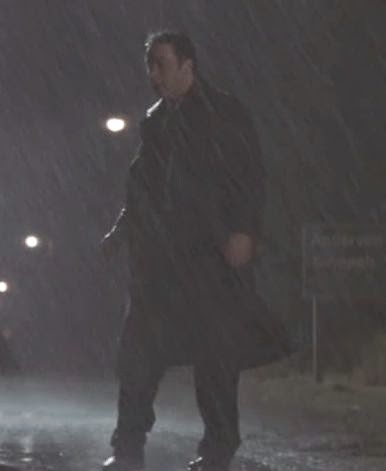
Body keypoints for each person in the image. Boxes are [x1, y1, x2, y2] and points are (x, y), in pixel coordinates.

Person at [99, 31, 292, 471]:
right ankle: (127, 448)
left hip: (208, 257)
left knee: (215, 361)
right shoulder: (156, 121)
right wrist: (121, 232)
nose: (154, 74)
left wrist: (243, 231)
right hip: (160, 261)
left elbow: (249, 176)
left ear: (188, 66)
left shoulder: (223, 113)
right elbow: (142, 186)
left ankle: (218, 450)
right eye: (150, 65)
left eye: (162, 64)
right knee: (138, 356)